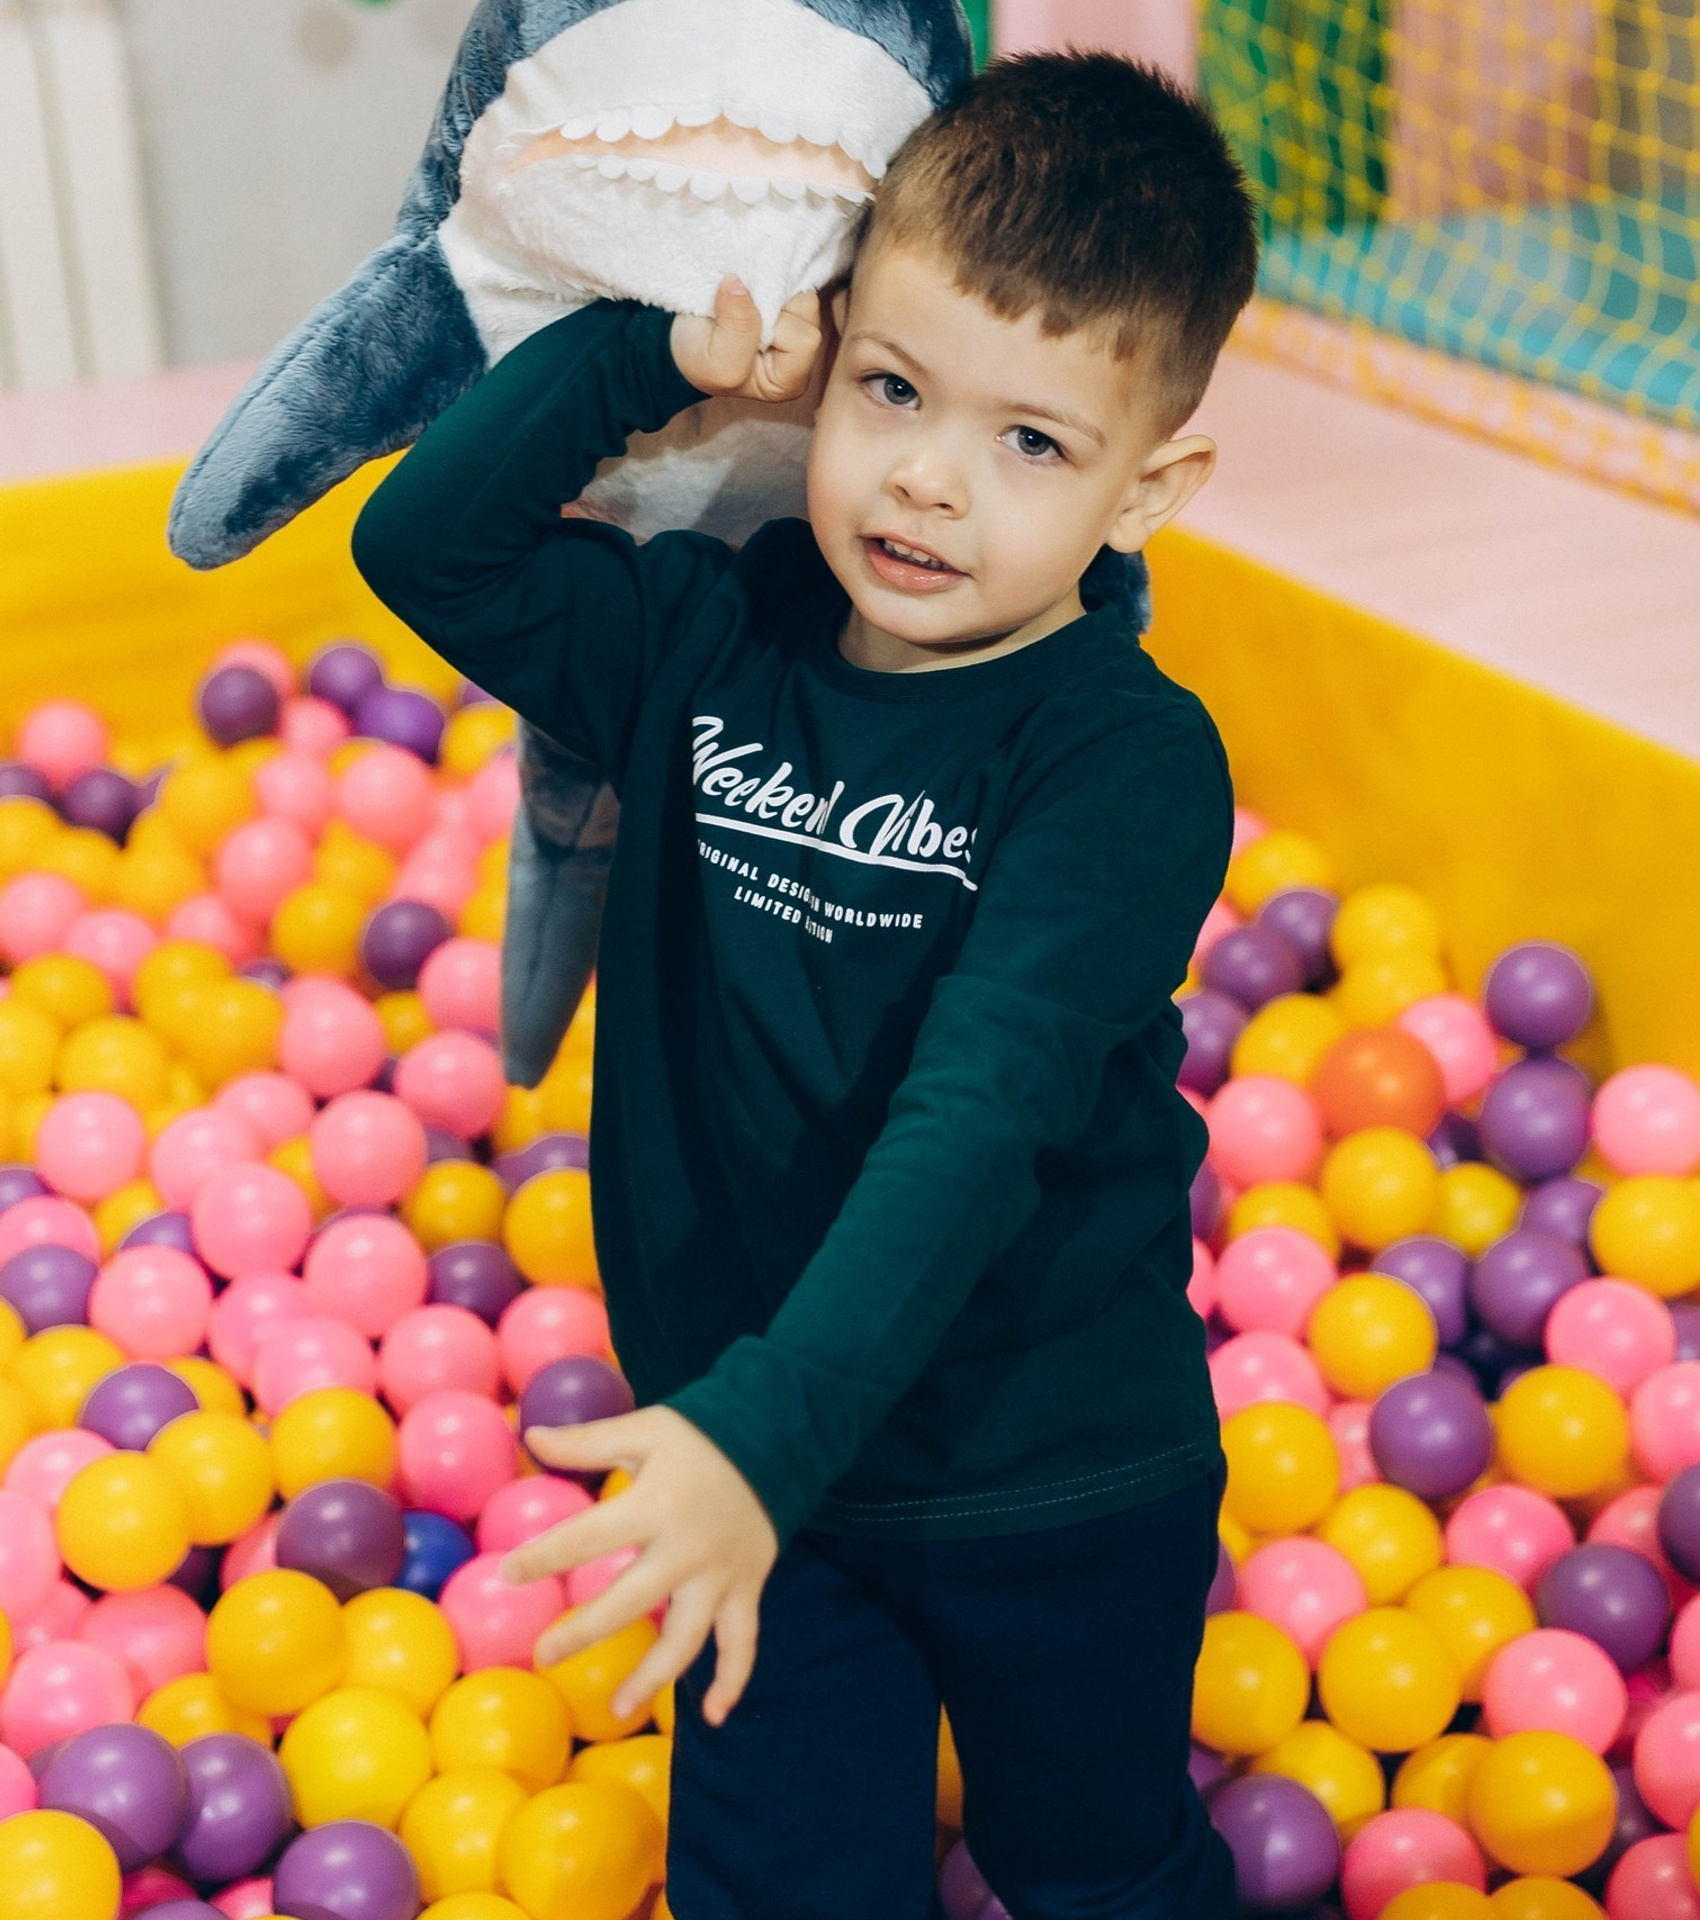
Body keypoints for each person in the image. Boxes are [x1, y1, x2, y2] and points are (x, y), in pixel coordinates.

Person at [351, 49, 1258, 1920]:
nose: (929, 478)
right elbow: (420, 542)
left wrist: (759, 1434)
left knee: (1091, 1866)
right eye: (895, 388)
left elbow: (981, 1105)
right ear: (830, 350)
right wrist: (654, 354)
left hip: (1046, 1468)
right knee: (781, 1886)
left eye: (1033, 443)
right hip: (762, 1488)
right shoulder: (711, 640)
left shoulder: (1123, 763)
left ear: (1151, 487)